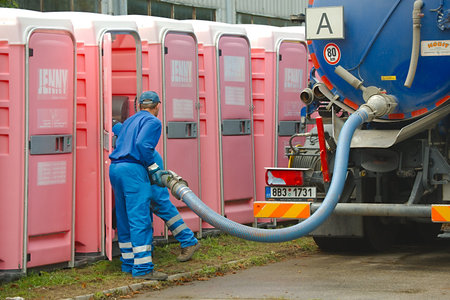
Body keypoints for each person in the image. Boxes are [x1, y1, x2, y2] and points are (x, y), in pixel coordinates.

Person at [109, 91, 170, 280]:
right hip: (133, 170)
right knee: (140, 218)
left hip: (116, 169)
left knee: (124, 216)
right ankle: (143, 268)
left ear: (139, 105)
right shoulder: (153, 122)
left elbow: (118, 131)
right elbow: (143, 144)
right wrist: (153, 167)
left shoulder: (130, 121)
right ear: (158, 105)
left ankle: (128, 263)